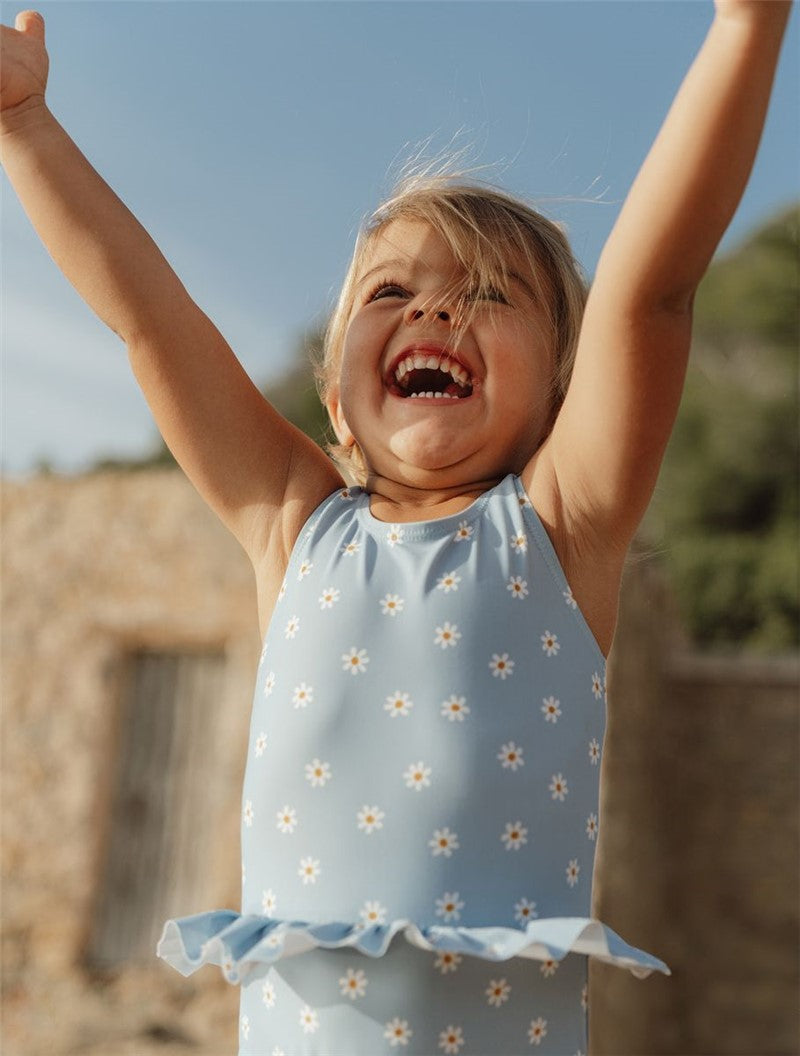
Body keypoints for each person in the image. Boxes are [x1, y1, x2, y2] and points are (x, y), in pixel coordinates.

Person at [1, 3, 791, 1053]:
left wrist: (745, 27)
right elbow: (151, 322)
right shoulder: (292, 524)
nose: (433, 313)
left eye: (489, 295)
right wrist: (25, 126)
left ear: (563, 402)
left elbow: (650, 292)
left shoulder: (558, 529)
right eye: (392, 290)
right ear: (333, 394)